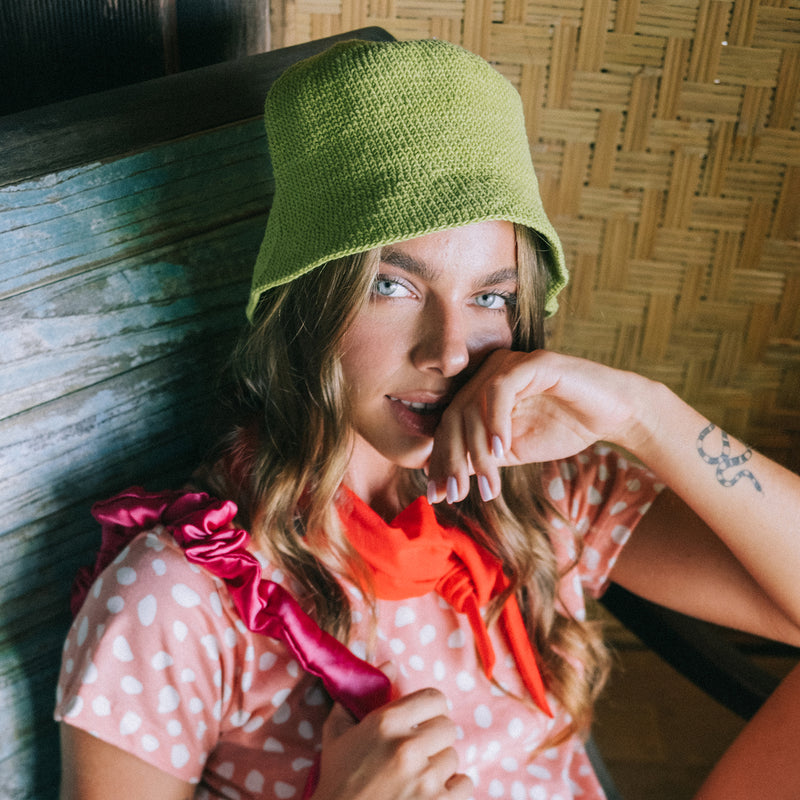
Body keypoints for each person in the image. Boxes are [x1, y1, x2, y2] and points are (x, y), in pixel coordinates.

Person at [55, 38, 800, 800]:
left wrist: (646, 415)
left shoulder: (545, 496)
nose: (448, 352)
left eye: (491, 298)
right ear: (307, 304)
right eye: (393, 287)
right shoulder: (178, 597)